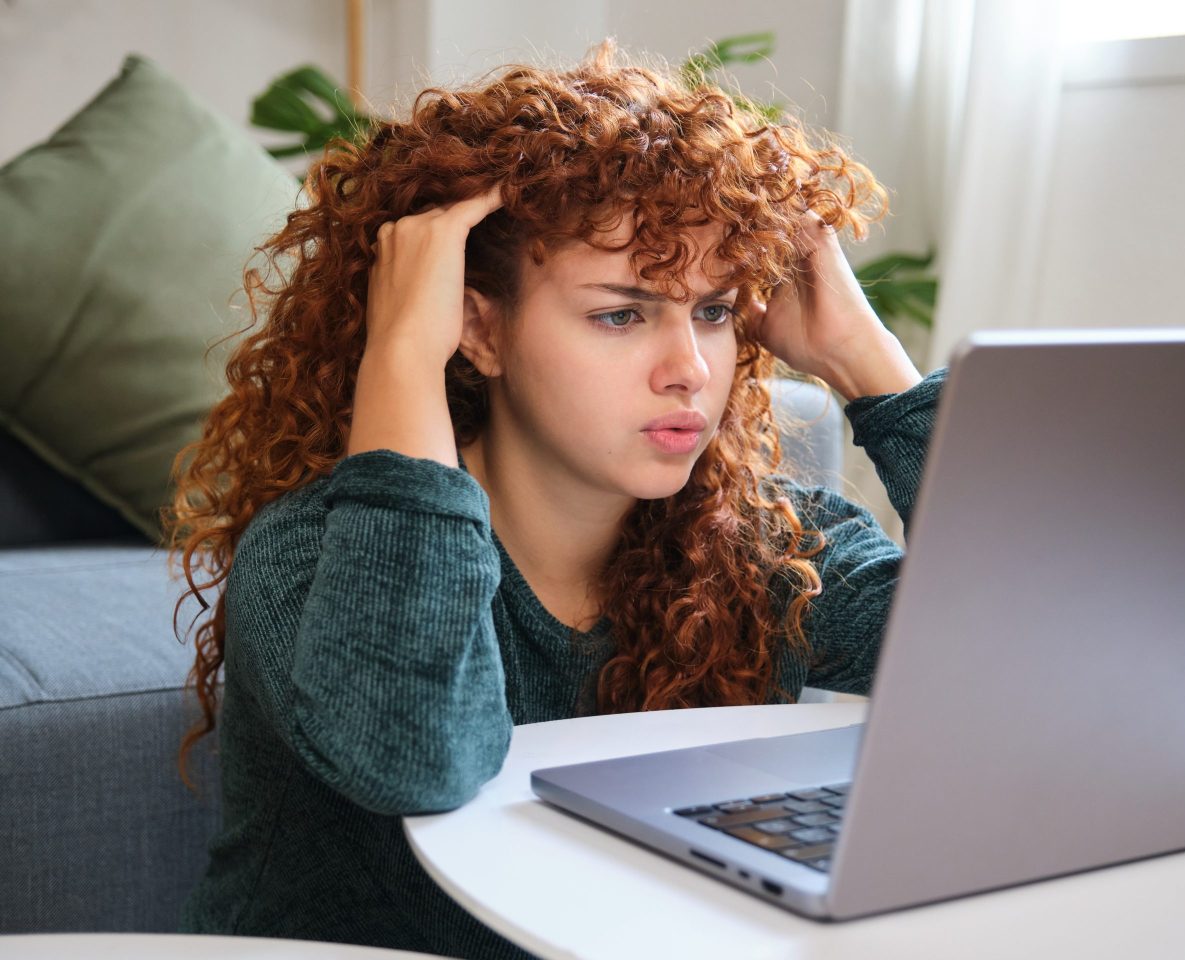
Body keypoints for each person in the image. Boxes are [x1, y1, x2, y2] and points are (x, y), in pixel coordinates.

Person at [166, 38, 945, 960]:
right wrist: (401, 360)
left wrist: (871, 367)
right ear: (477, 330)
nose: (690, 371)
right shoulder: (313, 556)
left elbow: (1036, 656)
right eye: (621, 314)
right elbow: (416, 759)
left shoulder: (774, 549)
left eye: (716, 310)